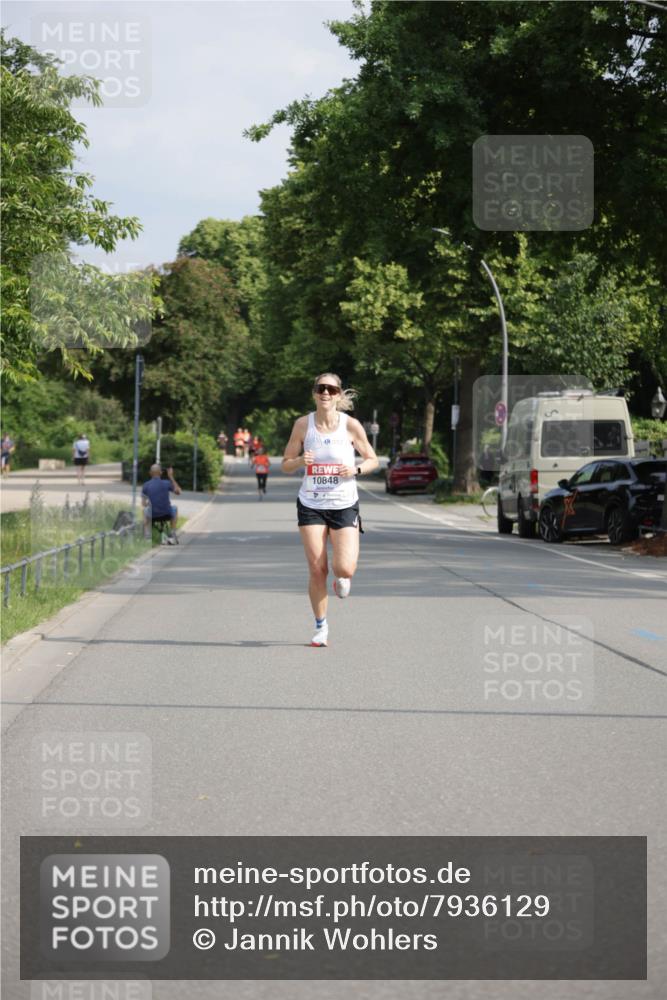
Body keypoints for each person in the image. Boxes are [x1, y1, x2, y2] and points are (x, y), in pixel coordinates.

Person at [282, 372, 378, 647]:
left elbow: (371, 459)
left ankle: (343, 578)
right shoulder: (303, 425)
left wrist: (356, 468)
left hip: (344, 504)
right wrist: (300, 460)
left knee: (344, 568)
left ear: (338, 394)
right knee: (317, 569)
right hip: (311, 504)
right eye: (320, 388)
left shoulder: (351, 426)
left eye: (331, 389)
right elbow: (285, 464)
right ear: (314, 393)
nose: (325, 393)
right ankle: (320, 626)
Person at [141, 463, 182, 544]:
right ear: (161, 473)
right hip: (167, 514)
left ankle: (147, 537)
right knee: (175, 508)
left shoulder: (146, 485)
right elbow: (178, 492)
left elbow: (143, 503)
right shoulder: (166, 483)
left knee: (145, 510)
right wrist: (171, 476)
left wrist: (150, 503)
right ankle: (173, 534)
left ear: (150, 473)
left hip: (152, 515)